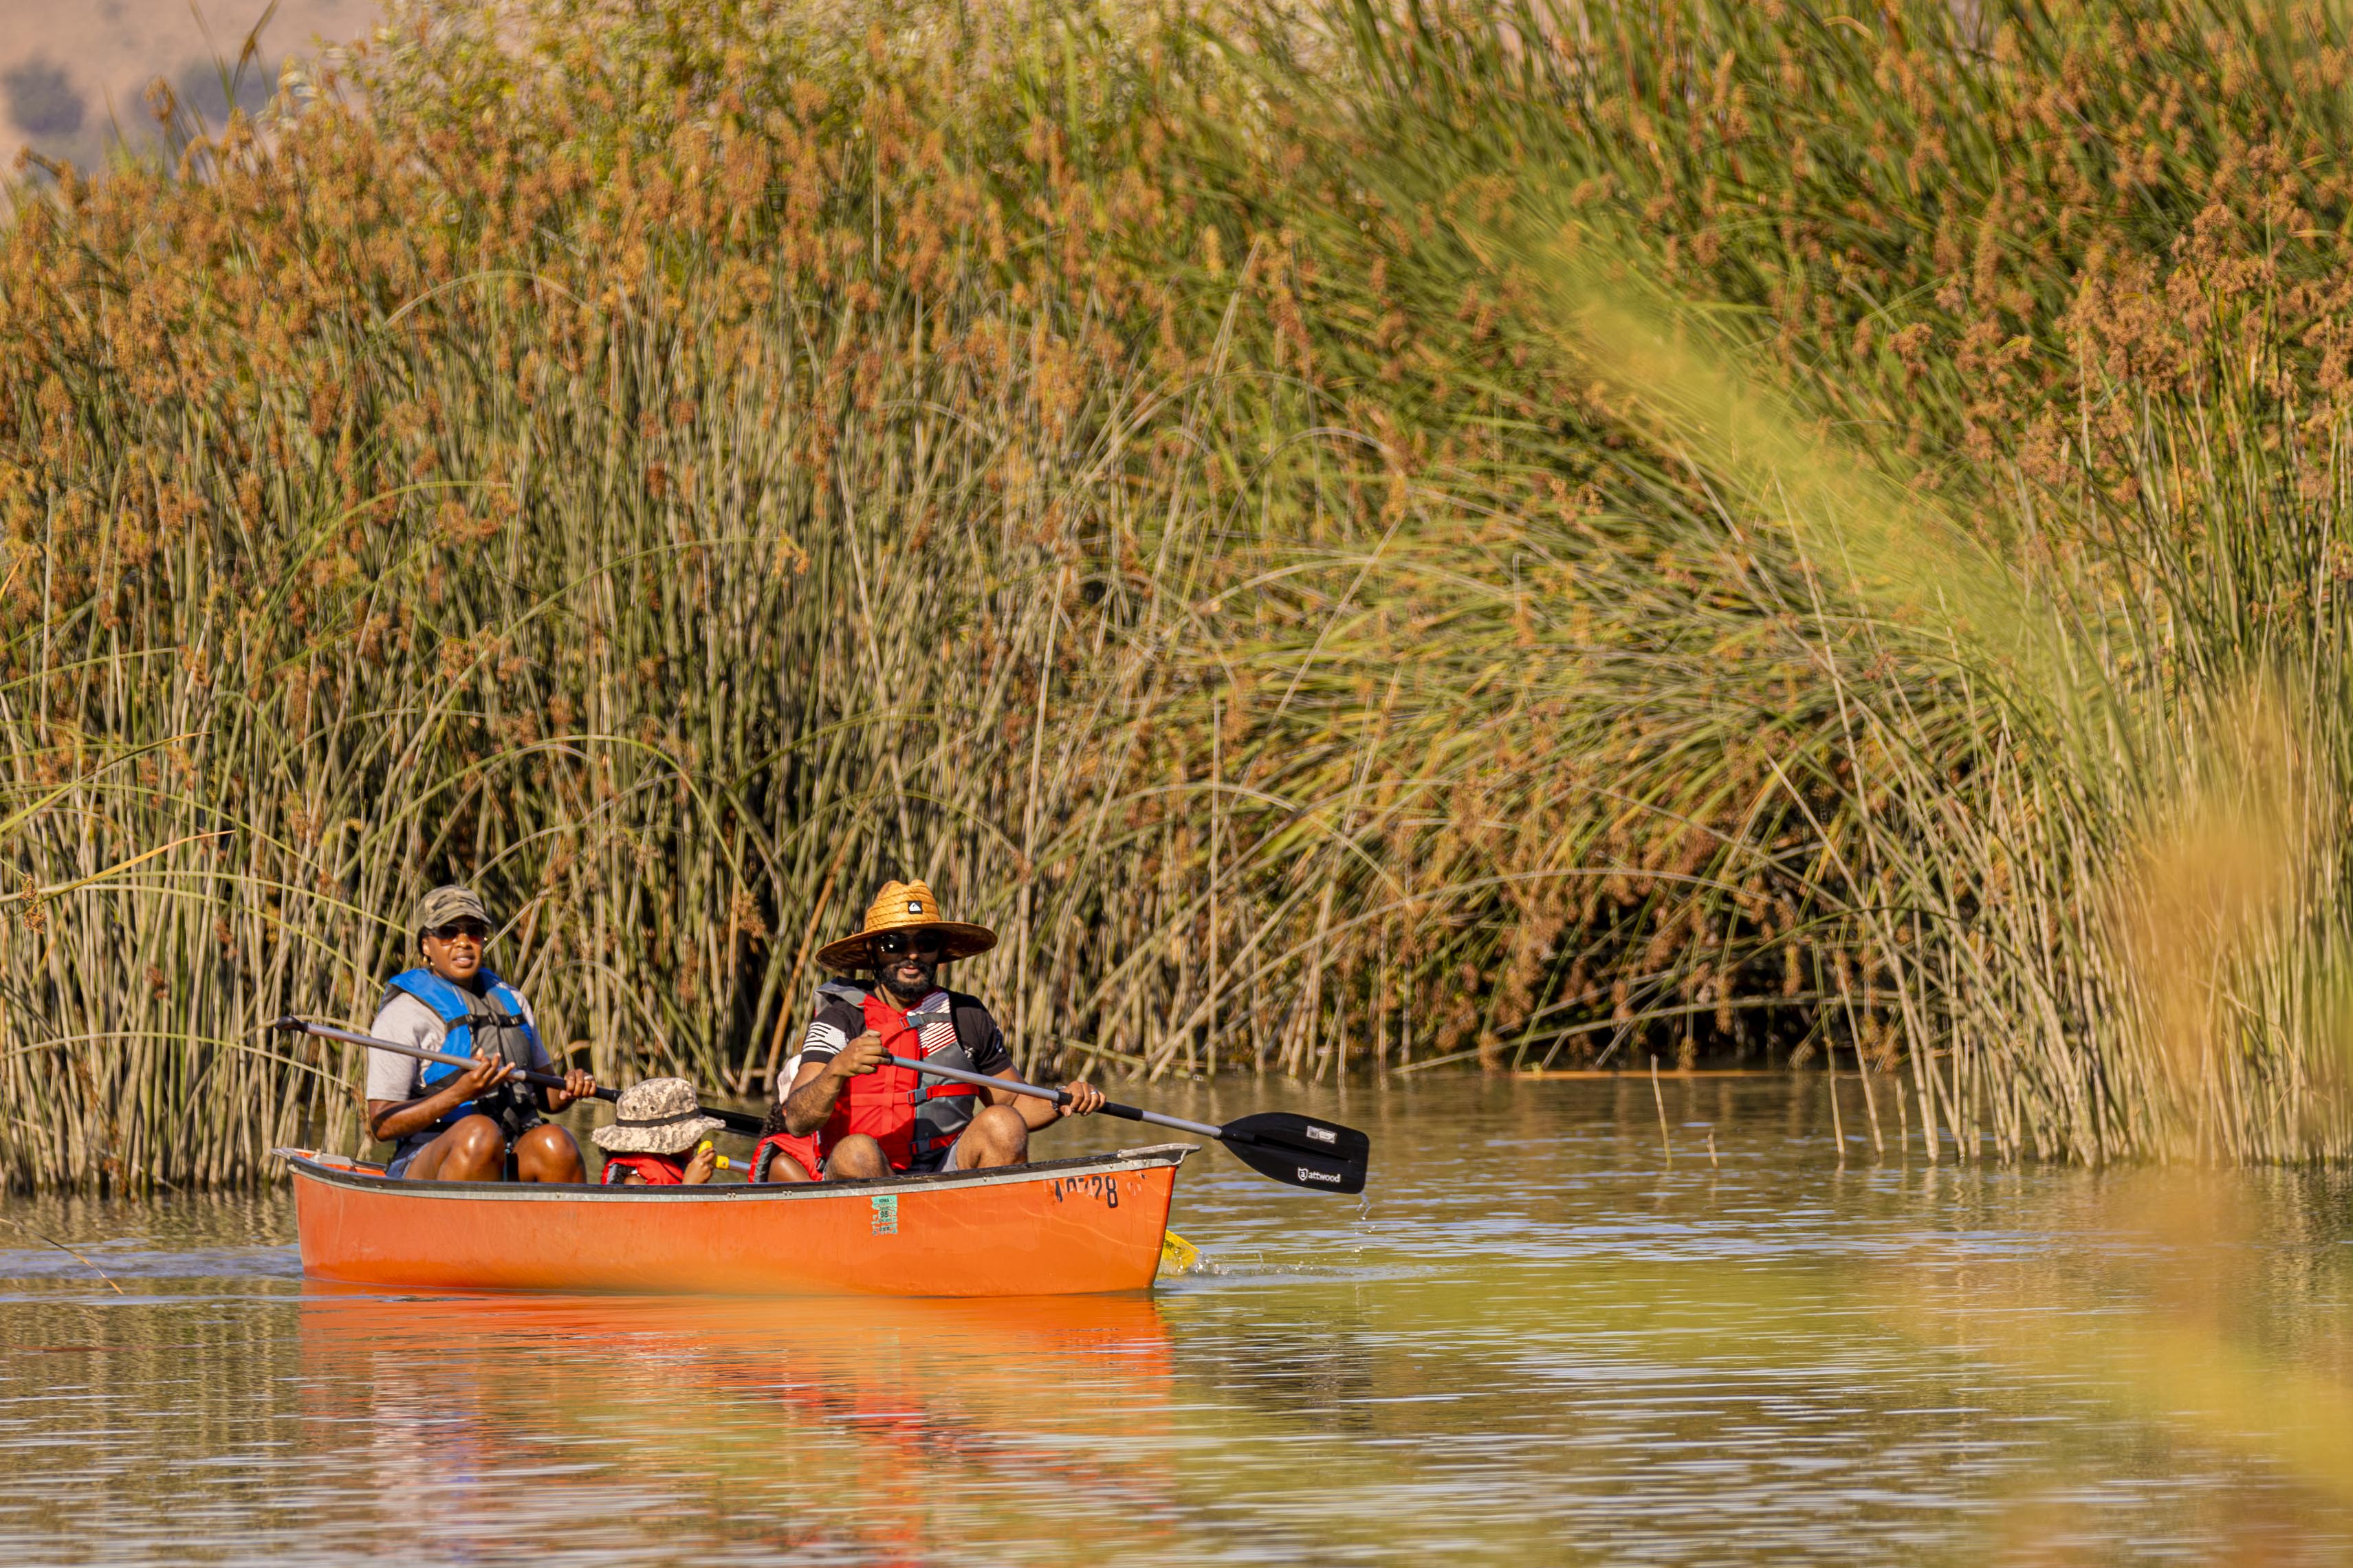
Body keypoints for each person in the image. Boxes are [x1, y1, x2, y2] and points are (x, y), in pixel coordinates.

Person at [752, 879, 1104, 1182]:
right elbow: (798, 1120)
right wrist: (837, 1069)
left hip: (947, 1170)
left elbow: (1013, 1102)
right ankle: (889, 1229)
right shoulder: (839, 1019)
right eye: (894, 944)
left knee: (1003, 1123)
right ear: (873, 952)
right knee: (856, 1151)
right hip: (867, 1174)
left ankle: (994, 1226)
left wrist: (1062, 1098)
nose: (912, 955)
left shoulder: (967, 1015)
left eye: (926, 943)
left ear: (940, 951)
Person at [364, 885, 597, 1180]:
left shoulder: (513, 1001)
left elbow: (548, 1099)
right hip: (428, 1156)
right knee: (480, 1135)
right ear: (426, 945)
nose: (463, 942)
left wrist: (571, 1087)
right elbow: (382, 1124)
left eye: (473, 932)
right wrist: (459, 1093)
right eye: (448, 932)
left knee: (557, 1143)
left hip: (509, 1148)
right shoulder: (404, 1014)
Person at [592, 1078, 725, 1185]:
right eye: (691, 1136)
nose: (697, 1143)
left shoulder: (680, 1163)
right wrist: (690, 1186)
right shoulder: (633, 1181)